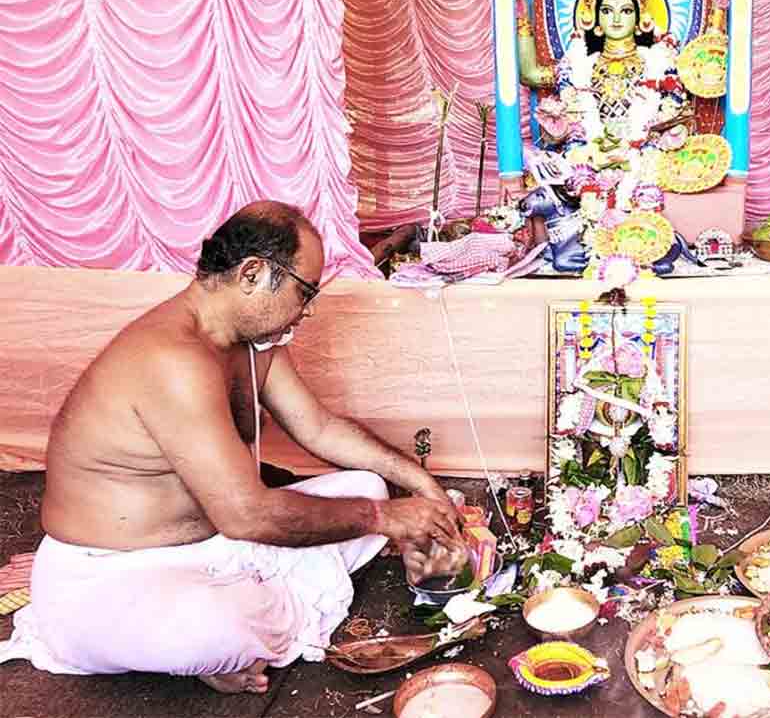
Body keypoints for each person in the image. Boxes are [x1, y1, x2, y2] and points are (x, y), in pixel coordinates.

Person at [0, 201, 466, 694]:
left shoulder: (251, 342)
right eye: (305, 291)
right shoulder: (172, 358)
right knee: (212, 630)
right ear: (252, 274)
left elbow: (319, 428)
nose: (307, 310)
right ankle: (213, 644)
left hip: (219, 545)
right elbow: (247, 516)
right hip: (116, 574)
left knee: (368, 485)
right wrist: (385, 519)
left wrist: (421, 485)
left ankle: (241, 629)